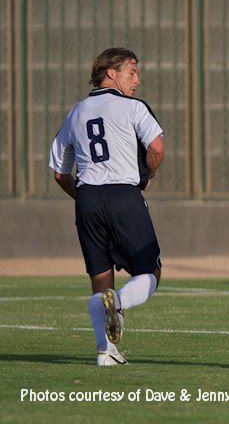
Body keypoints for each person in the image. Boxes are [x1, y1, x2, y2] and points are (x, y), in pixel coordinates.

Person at [48, 47, 165, 366]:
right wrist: (148, 174)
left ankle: (106, 352)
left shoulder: (76, 111)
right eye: (132, 71)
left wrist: (85, 199)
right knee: (150, 271)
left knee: (100, 280)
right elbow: (156, 147)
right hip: (123, 195)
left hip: (87, 198)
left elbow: (59, 172)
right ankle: (122, 303)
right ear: (110, 72)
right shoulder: (133, 107)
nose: (137, 80)